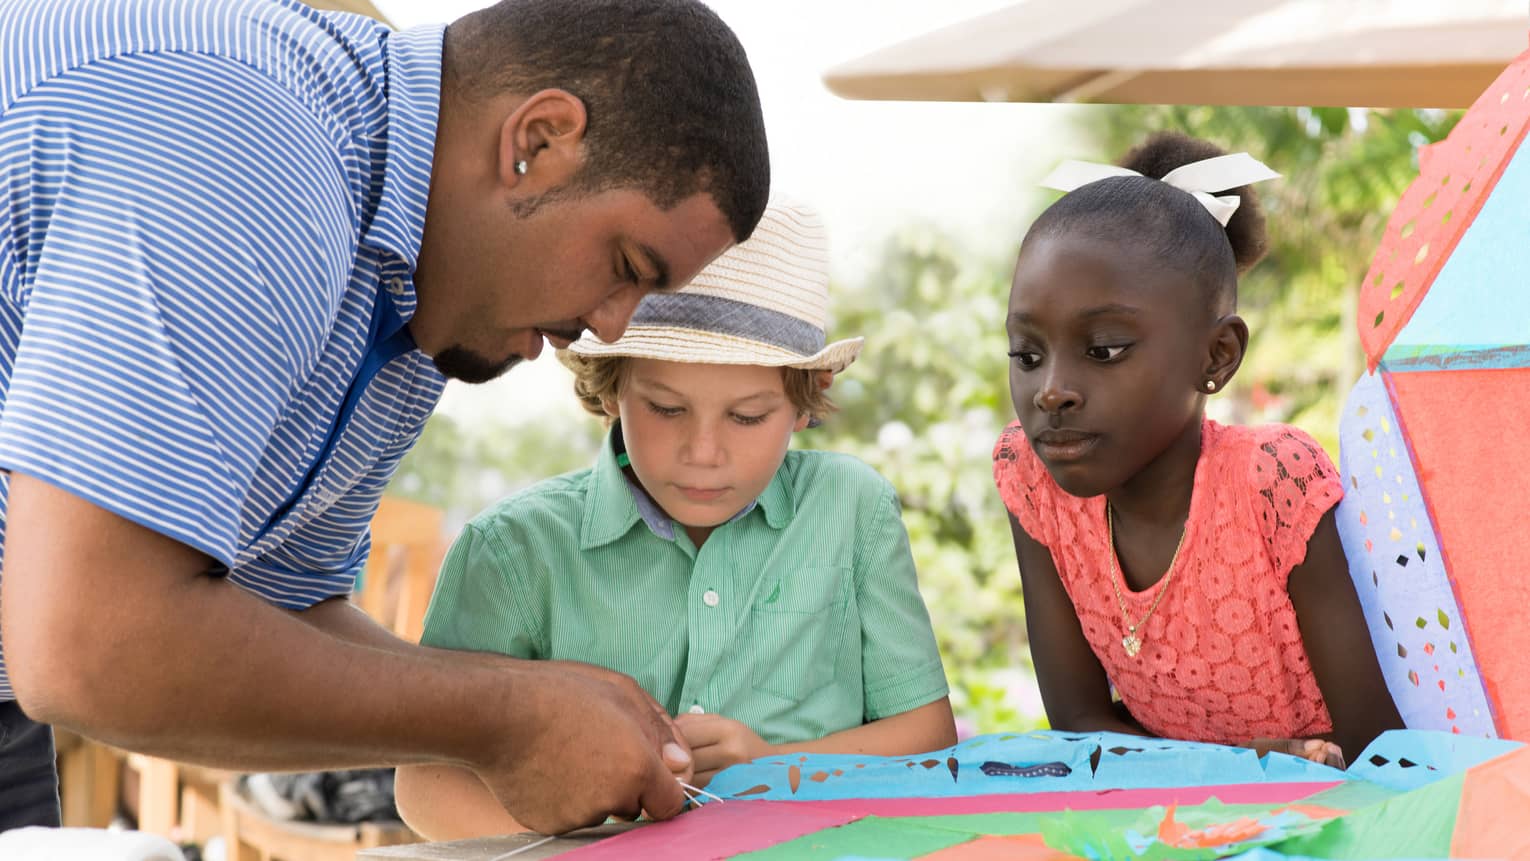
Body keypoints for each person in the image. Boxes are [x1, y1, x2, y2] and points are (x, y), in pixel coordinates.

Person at [0, 0, 769, 834]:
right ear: (538, 141)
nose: (615, 326)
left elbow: (279, 610)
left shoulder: (421, 309)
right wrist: (504, 720)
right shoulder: (253, 143)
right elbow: (91, 642)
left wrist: (555, 704)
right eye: (627, 265)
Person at [395, 201, 956, 840]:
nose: (704, 453)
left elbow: (927, 737)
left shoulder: (852, 509)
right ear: (611, 388)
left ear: (805, 401)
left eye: (746, 417)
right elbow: (426, 784)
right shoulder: (512, 550)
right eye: (665, 409)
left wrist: (773, 766)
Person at [993, 132, 1402, 767]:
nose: (1051, 393)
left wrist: (1216, 766)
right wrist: (1242, 762)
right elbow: (1078, 722)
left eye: (1103, 350)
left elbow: (1380, 750)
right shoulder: (1035, 478)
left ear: (1217, 357)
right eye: (1027, 354)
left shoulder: (1271, 485)